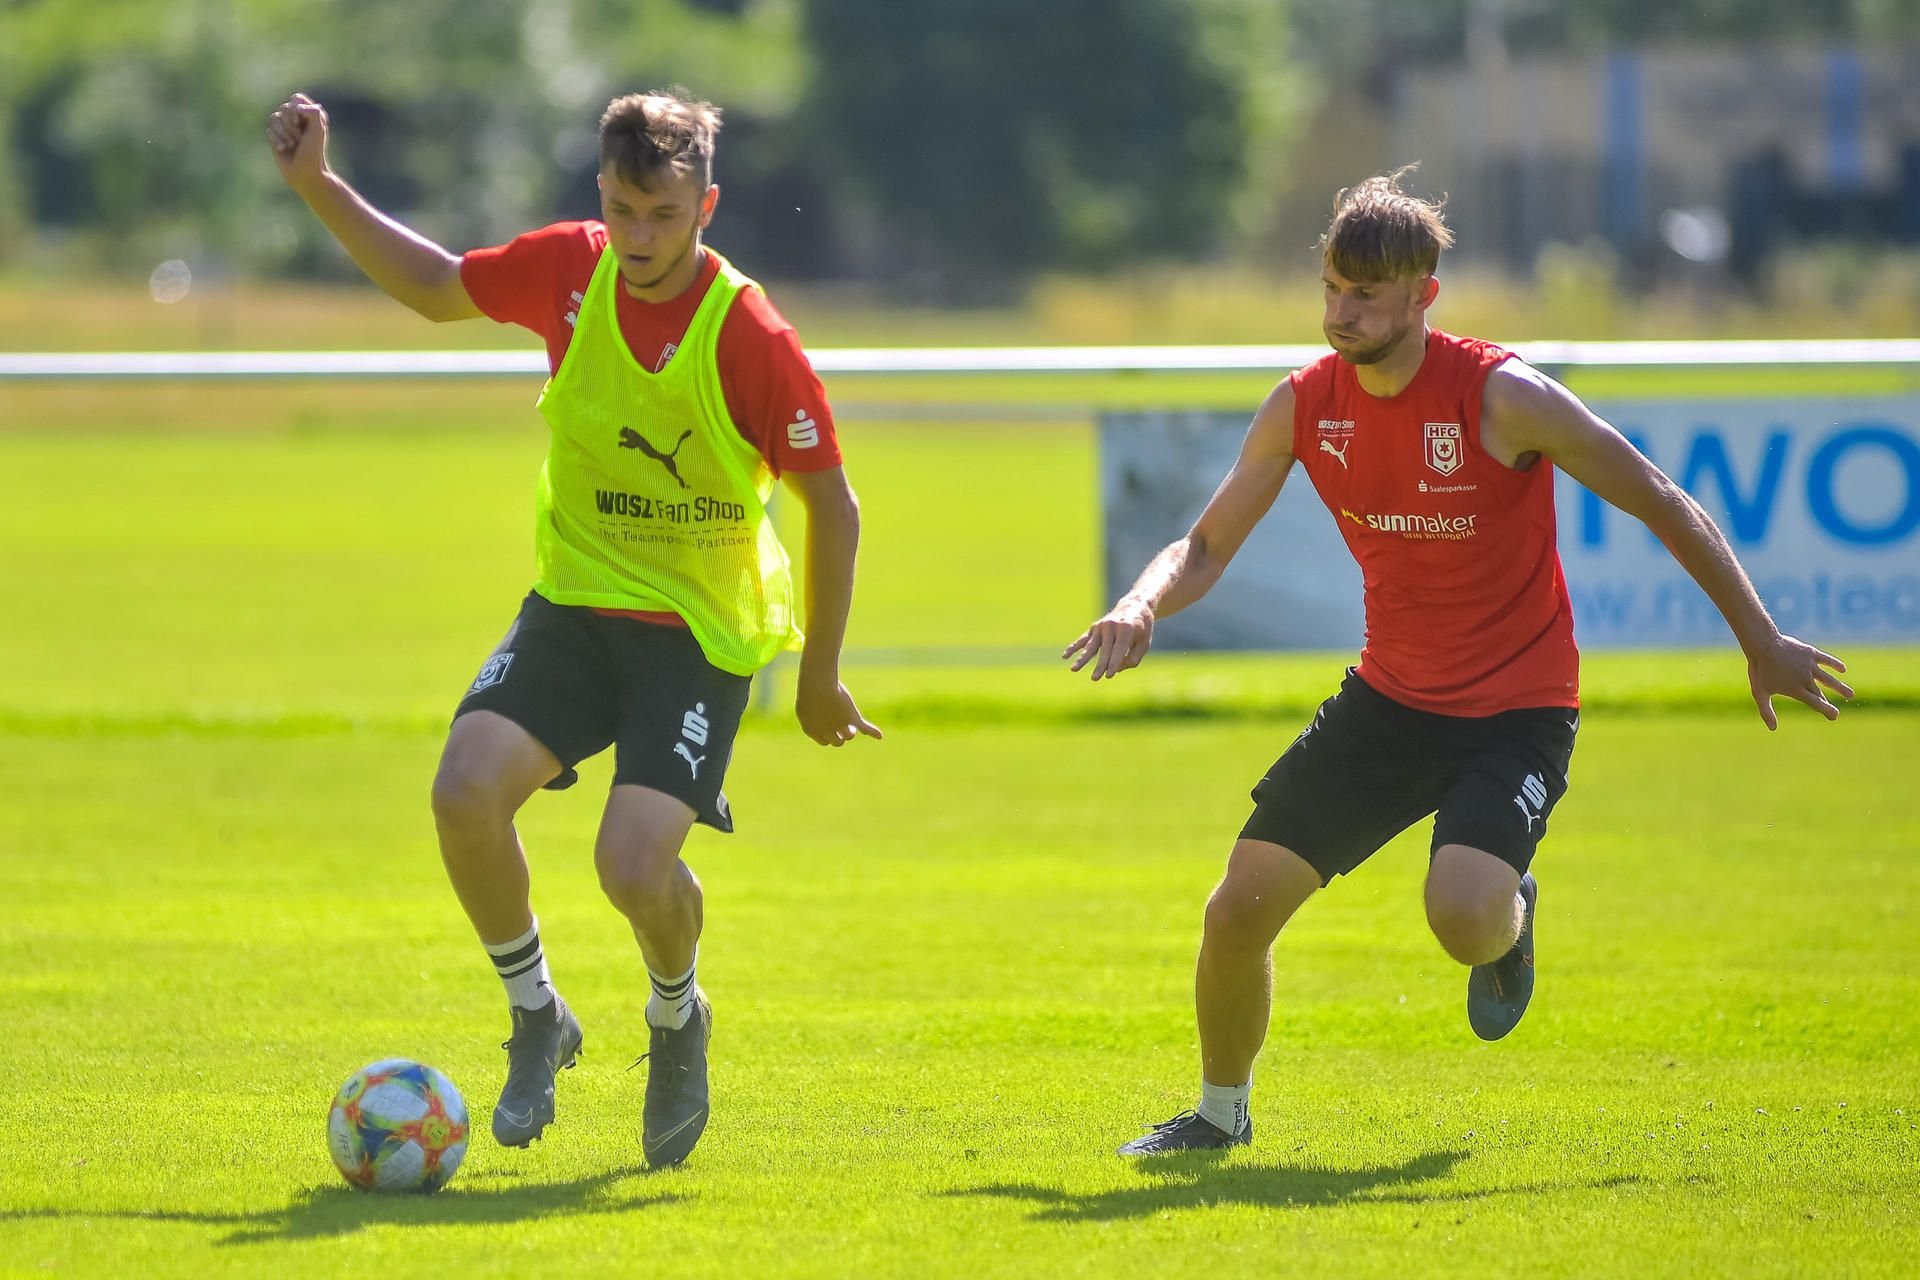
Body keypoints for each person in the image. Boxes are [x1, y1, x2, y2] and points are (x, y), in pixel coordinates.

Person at [1064, 170, 1853, 1156]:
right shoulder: (1304, 404)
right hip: (1389, 700)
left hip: (1518, 710)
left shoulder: (1502, 396)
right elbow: (1207, 544)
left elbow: (1658, 497)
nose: (1339, 314)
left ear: (1423, 293)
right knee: (1236, 910)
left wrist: (1760, 638)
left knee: (1465, 919)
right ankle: (1219, 1117)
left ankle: (1512, 909)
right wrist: (1140, 602)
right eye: (1331, 289)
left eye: (1365, 295)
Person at [268, 87, 881, 1169]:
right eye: (621, 209)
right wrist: (318, 185)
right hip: (575, 605)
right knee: (463, 792)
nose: (639, 237)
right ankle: (538, 1014)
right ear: (600, 194)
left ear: (706, 207)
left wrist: (821, 674)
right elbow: (435, 287)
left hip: (696, 633)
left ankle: (677, 1016)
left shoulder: (749, 335)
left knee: (630, 868)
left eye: (663, 215)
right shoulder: (569, 269)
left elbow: (834, 505)